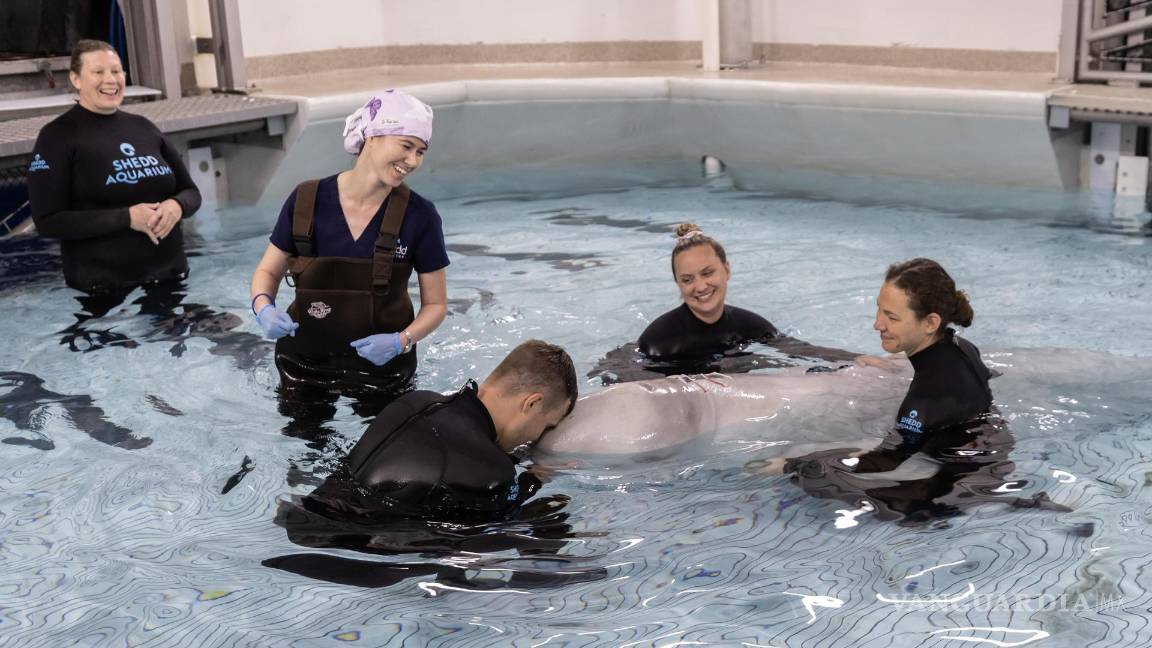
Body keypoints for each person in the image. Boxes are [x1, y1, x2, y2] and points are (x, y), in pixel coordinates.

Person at [786, 258, 1065, 523]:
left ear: (930, 323)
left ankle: (1014, 510)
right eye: (879, 310)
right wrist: (892, 368)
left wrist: (798, 463)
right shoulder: (963, 348)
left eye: (891, 317)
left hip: (957, 489)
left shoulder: (924, 399)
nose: (877, 324)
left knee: (817, 473)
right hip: (993, 452)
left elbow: (886, 460)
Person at [249, 89, 449, 427]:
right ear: (372, 136)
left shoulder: (420, 216)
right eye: (406, 145)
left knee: (383, 457)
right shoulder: (306, 200)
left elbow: (437, 305)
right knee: (303, 458)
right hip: (304, 364)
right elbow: (268, 270)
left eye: (420, 151)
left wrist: (402, 341)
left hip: (384, 370)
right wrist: (262, 306)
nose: (413, 161)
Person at [27, 39, 202, 348]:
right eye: (98, 72)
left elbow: (191, 192)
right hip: (104, 293)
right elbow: (48, 220)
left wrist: (176, 205)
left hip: (170, 280)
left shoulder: (144, 127)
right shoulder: (57, 137)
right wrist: (126, 218)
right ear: (76, 79)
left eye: (117, 71)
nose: (110, 80)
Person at [295, 339, 579, 524]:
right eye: (547, 425)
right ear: (532, 402)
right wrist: (534, 482)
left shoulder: (415, 401)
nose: (537, 437)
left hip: (301, 519)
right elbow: (497, 530)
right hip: (343, 564)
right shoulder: (492, 473)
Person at [590, 222, 857, 383]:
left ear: (726, 271)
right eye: (688, 279)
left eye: (708, 273)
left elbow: (800, 350)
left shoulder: (749, 324)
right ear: (679, 285)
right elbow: (625, 379)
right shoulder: (660, 340)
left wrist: (859, 360)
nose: (701, 286)